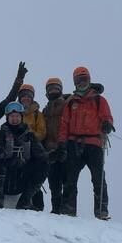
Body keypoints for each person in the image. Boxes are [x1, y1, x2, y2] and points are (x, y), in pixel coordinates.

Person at [57, 66, 113, 219]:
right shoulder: (71, 102)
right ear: (75, 82)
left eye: (84, 79)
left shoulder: (99, 100)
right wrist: (62, 142)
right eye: (79, 80)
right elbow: (64, 123)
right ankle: (68, 209)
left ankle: (101, 210)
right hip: (73, 143)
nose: (82, 82)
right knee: (70, 178)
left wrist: (107, 123)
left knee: (98, 178)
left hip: (94, 143)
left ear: (89, 79)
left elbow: (107, 116)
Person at [0, 102, 49, 210]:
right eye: (12, 116)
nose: (15, 119)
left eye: (17, 116)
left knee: (43, 165)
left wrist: (51, 156)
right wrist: (11, 159)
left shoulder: (29, 136)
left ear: (21, 118)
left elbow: (41, 155)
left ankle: (25, 201)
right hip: (4, 179)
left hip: (22, 178)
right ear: (7, 118)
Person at [16, 83, 47, 210]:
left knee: (34, 175)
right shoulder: (16, 112)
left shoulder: (37, 114)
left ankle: (37, 205)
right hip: (18, 150)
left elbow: (42, 132)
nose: (26, 98)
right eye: (23, 96)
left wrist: (30, 136)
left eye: (28, 96)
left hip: (33, 151)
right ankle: (23, 201)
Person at [41, 77, 68, 215]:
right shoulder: (45, 110)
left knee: (67, 180)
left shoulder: (66, 105)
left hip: (64, 147)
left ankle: (67, 209)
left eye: (56, 88)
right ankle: (56, 209)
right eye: (50, 89)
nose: (53, 91)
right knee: (53, 181)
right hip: (50, 149)